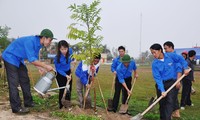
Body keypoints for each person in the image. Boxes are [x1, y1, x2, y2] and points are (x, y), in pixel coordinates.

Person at [2, 29, 56, 114]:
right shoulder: (30, 41)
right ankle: (16, 108)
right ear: (44, 38)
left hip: (18, 59)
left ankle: (28, 102)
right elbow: (32, 59)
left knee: (25, 80)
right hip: (10, 57)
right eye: (50, 40)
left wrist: (40, 68)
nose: (50, 42)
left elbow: (33, 58)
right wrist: (45, 66)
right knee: (14, 83)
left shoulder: (39, 45)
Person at [150, 43, 189, 120]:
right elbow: (158, 78)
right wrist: (162, 90)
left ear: (160, 50)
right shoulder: (155, 64)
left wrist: (185, 68)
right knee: (162, 104)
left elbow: (181, 59)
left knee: (170, 102)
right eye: (152, 53)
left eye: (155, 52)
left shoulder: (171, 56)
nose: (153, 55)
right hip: (161, 84)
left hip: (172, 83)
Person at [163, 41, 182, 118]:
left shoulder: (175, 56)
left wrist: (178, 81)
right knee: (172, 97)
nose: (165, 50)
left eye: (166, 48)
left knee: (170, 98)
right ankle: (175, 113)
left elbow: (179, 69)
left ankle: (171, 114)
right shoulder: (168, 56)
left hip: (174, 80)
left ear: (171, 47)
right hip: (167, 80)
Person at [54, 40, 74, 109]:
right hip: (60, 74)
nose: (64, 51)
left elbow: (73, 58)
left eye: (65, 49)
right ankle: (61, 106)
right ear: (59, 49)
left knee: (69, 89)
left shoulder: (70, 51)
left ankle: (67, 105)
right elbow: (58, 69)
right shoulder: (57, 58)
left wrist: (74, 61)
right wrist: (66, 76)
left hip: (68, 71)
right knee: (62, 89)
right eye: (62, 49)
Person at [108, 46, 126, 112]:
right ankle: (114, 107)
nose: (121, 53)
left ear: (124, 51)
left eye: (122, 51)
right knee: (117, 93)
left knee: (125, 93)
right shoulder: (116, 60)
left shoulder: (127, 59)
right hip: (118, 78)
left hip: (126, 78)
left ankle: (124, 108)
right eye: (120, 51)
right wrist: (114, 71)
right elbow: (112, 67)